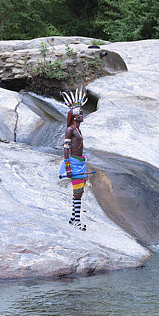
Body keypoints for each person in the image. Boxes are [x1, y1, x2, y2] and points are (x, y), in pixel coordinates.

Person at [59, 87, 88, 230]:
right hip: (74, 163)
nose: (83, 116)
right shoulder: (70, 130)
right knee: (77, 192)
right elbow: (65, 148)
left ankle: (73, 217)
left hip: (80, 162)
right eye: (81, 114)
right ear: (75, 116)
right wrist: (68, 166)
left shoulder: (77, 129)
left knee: (80, 191)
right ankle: (77, 220)